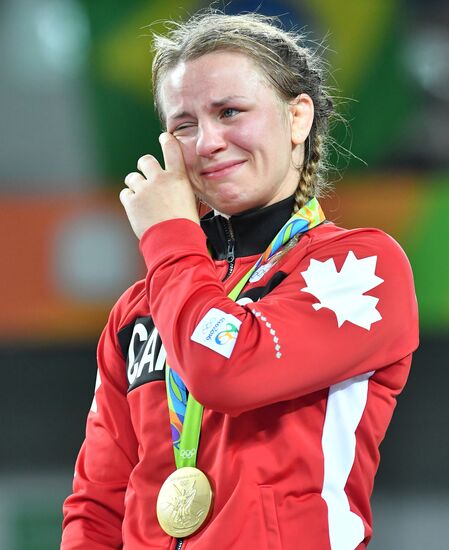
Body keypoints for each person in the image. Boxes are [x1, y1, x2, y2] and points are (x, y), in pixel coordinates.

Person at [61, 10, 419, 550]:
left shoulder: (359, 268)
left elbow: (225, 371)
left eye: (230, 112)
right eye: (184, 124)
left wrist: (170, 236)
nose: (207, 142)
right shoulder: (140, 306)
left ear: (298, 118)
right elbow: (98, 502)